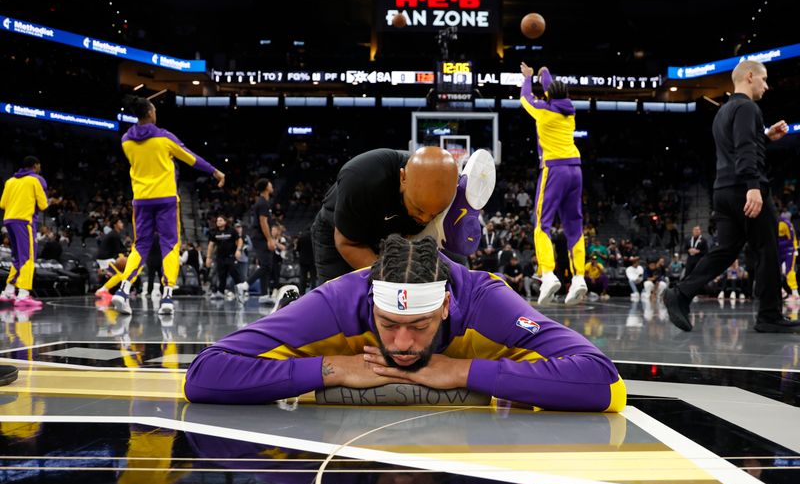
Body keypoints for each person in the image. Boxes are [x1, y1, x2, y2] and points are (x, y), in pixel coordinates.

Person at [184, 235, 626, 412]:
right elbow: (204, 375)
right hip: (322, 314)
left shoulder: (486, 300)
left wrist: (462, 370)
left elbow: (605, 383)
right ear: (370, 304)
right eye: (388, 323)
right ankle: (287, 315)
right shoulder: (341, 299)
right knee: (294, 324)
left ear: (447, 306)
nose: (401, 343)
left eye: (419, 326)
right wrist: (329, 369)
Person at [665, 60, 799, 333]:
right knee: (768, 249)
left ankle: (681, 293)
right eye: (764, 79)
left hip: (723, 190)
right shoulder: (748, 107)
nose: (767, 85)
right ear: (750, 76)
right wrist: (753, 185)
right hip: (745, 189)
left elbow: (742, 142)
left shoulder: (725, 111)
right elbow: (745, 146)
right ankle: (769, 316)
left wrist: (766, 137)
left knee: (725, 250)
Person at [311, 147, 494, 283]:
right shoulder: (362, 179)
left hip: (400, 234)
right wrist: (391, 278)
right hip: (342, 236)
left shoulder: (442, 191)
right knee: (342, 303)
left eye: (434, 213)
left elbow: (453, 259)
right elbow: (347, 243)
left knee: (449, 284)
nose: (424, 219)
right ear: (402, 178)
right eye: (419, 209)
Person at [111, 96, 224, 315]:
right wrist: (214, 171)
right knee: (170, 245)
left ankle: (122, 291)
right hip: (166, 199)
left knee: (140, 246)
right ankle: (167, 298)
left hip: (141, 199)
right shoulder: (164, 137)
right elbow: (190, 158)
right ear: (151, 113)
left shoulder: (126, 140)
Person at [519, 63, 586, 306]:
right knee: (574, 225)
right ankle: (579, 277)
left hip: (554, 170)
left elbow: (525, 99)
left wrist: (528, 78)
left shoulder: (542, 110)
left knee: (541, 223)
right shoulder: (570, 110)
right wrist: (544, 74)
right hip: (576, 170)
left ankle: (547, 274)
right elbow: (554, 90)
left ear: (548, 95)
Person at [0, 156, 48, 308]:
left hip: (9, 220)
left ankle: (8, 290)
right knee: (28, 257)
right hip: (24, 221)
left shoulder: (10, 181)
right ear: (35, 166)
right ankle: (23, 294)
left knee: (18, 257)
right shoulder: (36, 180)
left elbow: (2, 204)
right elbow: (43, 205)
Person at [243, 178, 276, 304]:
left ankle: (264, 294)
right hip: (260, 237)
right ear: (266, 187)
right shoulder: (262, 203)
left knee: (267, 266)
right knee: (266, 265)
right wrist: (270, 239)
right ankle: (246, 284)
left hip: (260, 236)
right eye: (270, 184)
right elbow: (263, 222)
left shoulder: (264, 202)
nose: (272, 185)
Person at [206, 216, 248, 304]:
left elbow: (239, 240)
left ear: (225, 222)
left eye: (220, 220)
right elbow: (211, 245)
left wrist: (238, 250)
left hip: (231, 256)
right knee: (221, 275)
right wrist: (208, 257)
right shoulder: (214, 232)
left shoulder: (231, 230)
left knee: (234, 274)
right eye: (217, 220)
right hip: (220, 257)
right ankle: (220, 292)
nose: (218, 222)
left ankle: (240, 291)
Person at [95, 217, 127, 299]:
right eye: (120, 222)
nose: (122, 224)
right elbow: (118, 250)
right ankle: (103, 290)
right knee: (120, 275)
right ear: (115, 225)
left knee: (118, 274)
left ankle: (105, 290)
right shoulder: (114, 235)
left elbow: (121, 248)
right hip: (105, 258)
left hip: (107, 257)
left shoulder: (114, 234)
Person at [778, 212, 798, 300]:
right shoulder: (770, 223)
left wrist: (795, 249)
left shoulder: (785, 223)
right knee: (773, 271)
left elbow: (792, 238)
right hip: (778, 251)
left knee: (789, 270)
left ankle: (795, 293)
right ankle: (782, 292)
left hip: (788, 250)